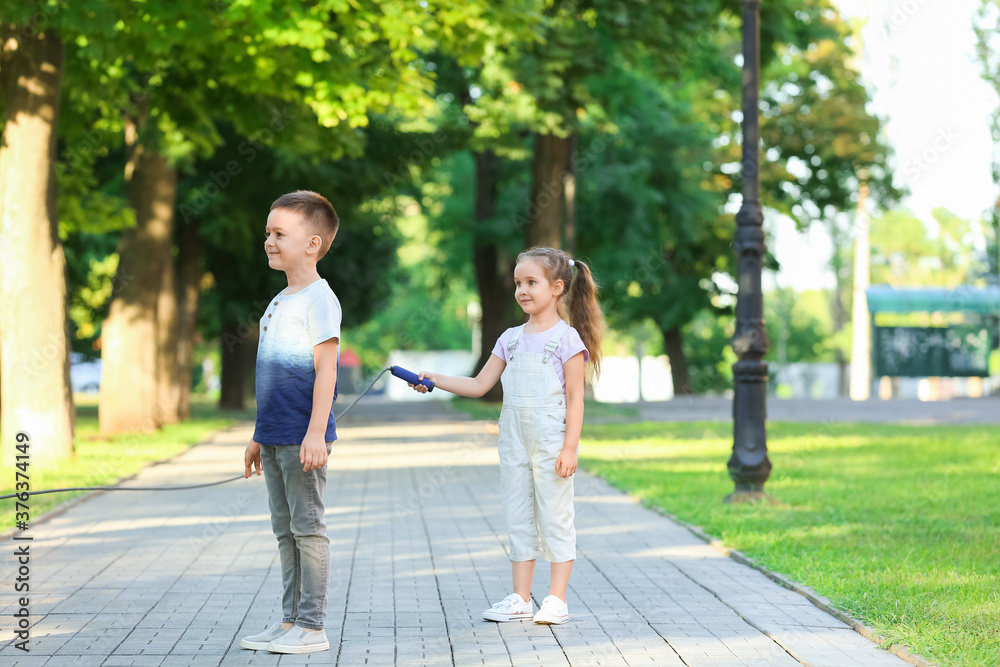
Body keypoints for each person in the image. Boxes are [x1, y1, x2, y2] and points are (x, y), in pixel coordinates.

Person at [410, 246, 604, 625]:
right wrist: (436, 379)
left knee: (555, 516)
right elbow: (480, 384)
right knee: (518, 516)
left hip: (551, 442)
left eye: (532, 282)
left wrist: (570, 448)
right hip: (514, 441)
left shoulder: (567, 339)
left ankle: (556, 599)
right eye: (518, 283)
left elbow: (576, 398)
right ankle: (519, 598)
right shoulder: (510, 339)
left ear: (558, 287)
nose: (523, 290)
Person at [240, 191, 342, 655]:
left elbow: (327, 370)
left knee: (307, 528)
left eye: (280, 233)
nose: (269, 241)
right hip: (276, 436)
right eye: (268, 233)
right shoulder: (280, 300)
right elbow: (272, 376)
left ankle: (312, 626)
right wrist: (258, 435)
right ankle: (288, 622)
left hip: (304, 439)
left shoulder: (319, 300)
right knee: (285, 531)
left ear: (313, 243)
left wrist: (316, 432)